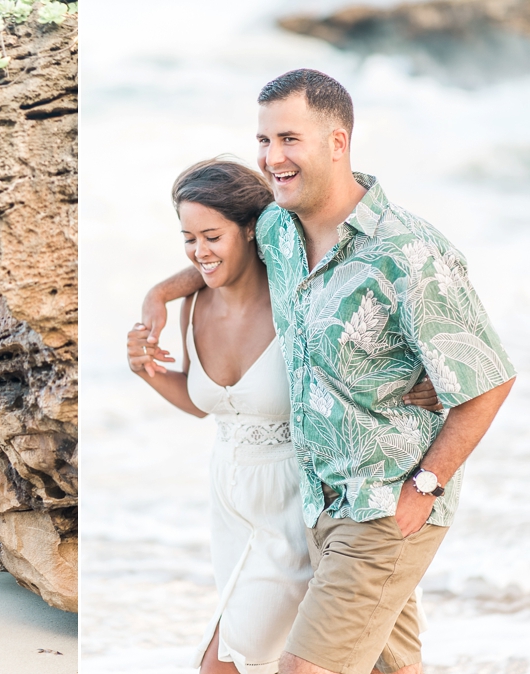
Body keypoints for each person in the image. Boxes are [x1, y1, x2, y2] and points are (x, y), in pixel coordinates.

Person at [139, 69, 516, 674]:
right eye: (264, 141)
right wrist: (161, 292)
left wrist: (426, 486)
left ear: (338, 142)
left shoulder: (409, 252)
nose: (272, 158)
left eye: (290, 139)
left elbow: (489, 379)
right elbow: (218, 252)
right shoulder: (278, 231)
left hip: (384, 502)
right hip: (315, 502)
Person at [127, 160, 440, 674]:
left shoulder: (295, 294)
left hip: (298, 498)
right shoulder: (193, 305)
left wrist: (417, 382)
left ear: (252, 229)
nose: (200, 252)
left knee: (228, 661)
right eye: (188, 238)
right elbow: (212, 405)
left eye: (212, 236)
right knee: (366, 654)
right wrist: (148, 368)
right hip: (230, 502)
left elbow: (369, 316)